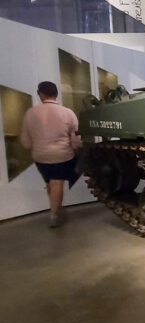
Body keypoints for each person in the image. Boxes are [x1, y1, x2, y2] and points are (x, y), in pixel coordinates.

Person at [20, 81, 81, 228]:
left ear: (40, 94)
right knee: (57, 182)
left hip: (40, 157)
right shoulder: (68, 113)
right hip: (62, 155)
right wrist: (75, 149)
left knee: (50, 182)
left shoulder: (30, 113)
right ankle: (54, 214)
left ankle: (55, 207)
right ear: (56, 94)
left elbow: (26, 141)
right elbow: (75, 140)